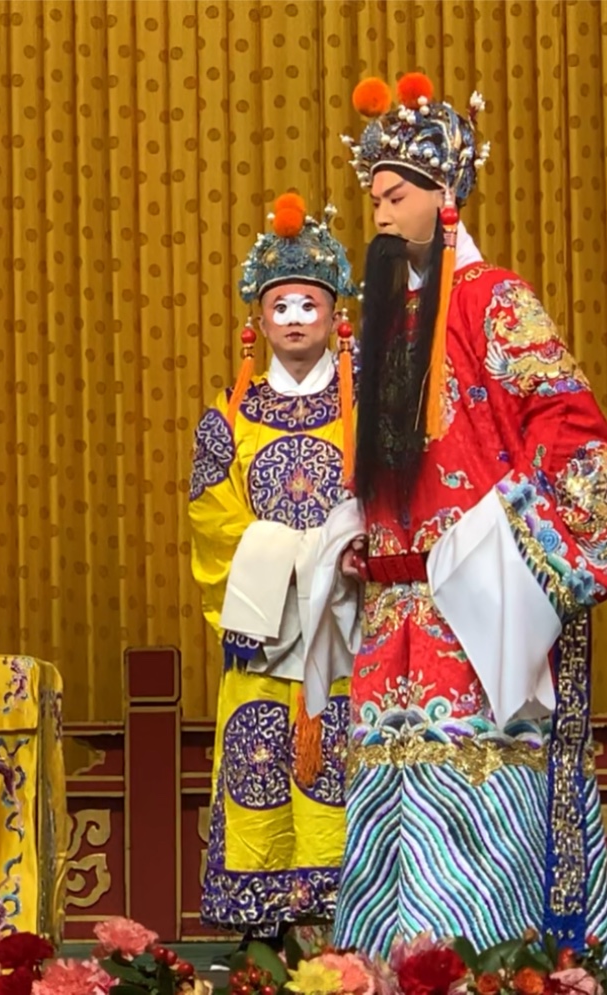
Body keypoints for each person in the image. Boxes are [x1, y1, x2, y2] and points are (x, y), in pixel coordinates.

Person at [307, 72, 607, 953]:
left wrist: (507, 548)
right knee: (381, 831)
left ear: (445, 196)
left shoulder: (494, 302)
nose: (380, 214)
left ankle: (481, 965)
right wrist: (354, 544)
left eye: (396, 195)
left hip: (475, 611)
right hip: (389, 618)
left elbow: (575, 432)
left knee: (475, 814)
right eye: (373, 198)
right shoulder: (383, 330)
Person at [188, 193, 356, 947]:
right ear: (256, 320)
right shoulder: (226, 418)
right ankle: (263, 945)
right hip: (264, 635)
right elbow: (211, 518)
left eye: (307, 304)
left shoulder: (365, 410)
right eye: (278, 304)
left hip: (347, 632)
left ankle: (347, 934)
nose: (293, 317)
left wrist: (341, 558)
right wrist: (289, 556)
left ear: (333, 314)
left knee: (339, 779)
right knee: (259, 767)